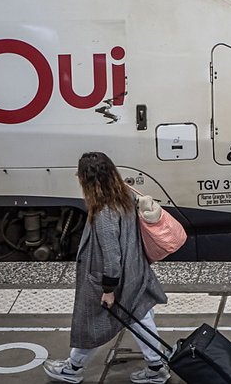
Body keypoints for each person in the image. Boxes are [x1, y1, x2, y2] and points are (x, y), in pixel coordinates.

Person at [43, 151, 170, 384]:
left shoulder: (104, 212)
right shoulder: (126, 197)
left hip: (112, 279)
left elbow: (111, 256)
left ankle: (73, 368)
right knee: (139, 318)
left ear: (87, 181)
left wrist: (108, 289)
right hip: (134, 272)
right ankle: (155, 366)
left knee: (93, 323)